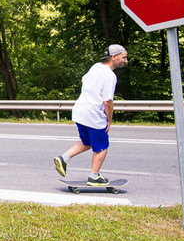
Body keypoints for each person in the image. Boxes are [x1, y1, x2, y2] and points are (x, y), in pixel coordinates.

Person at [54, 44, 128, 186]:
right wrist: (109, 121)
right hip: (93, 113)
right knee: (102, 146)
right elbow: (108, 102)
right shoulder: (110, 76)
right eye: (124, 57)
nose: (126, 61)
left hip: (80, 111)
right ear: (114, 57)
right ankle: (94, 177)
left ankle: (63, 158)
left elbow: (83, 79)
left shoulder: (96, 67)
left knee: (87, 142)